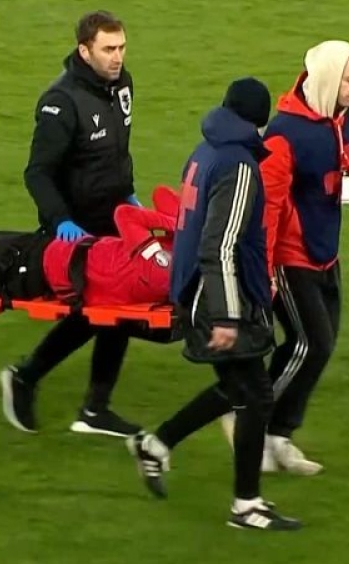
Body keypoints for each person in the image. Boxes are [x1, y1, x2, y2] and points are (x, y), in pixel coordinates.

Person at [126, 78, 302, 531]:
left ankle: (155, 445)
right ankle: (247, 506)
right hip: (219, 297)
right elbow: (220, 244)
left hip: (193, 291)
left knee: (238, 390)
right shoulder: (239, 165)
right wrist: (226, 315)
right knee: (256, 395)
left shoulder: (204, 152)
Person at [225, 39, 349, 476]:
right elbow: (266, 209)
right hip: (291, 257)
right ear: (328, 79)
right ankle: (246, 416)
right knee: (312, 343)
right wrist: (264, 272)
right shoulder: (285, 135)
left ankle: (277, 435)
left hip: (325, 253)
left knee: (316, 348)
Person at [0, 10, 144, 437]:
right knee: (106, 309)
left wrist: (128, 196)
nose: (117, 57)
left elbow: (117, 152)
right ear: (84, 50)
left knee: (119, 308)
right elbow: (37, 173)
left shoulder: (121, 85)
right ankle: (36, 380)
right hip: (77, 229)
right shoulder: (60, 102)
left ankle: (89, 405)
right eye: (108, 49)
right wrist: (61, 221)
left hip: (113, 219)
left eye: (121, 47)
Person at [0, 202, 174, 310]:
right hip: (46, 250)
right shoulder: (174, 253)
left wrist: (176, 224)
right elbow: (163, 195)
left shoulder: (163, 267)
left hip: (30, 273)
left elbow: (124, 214)